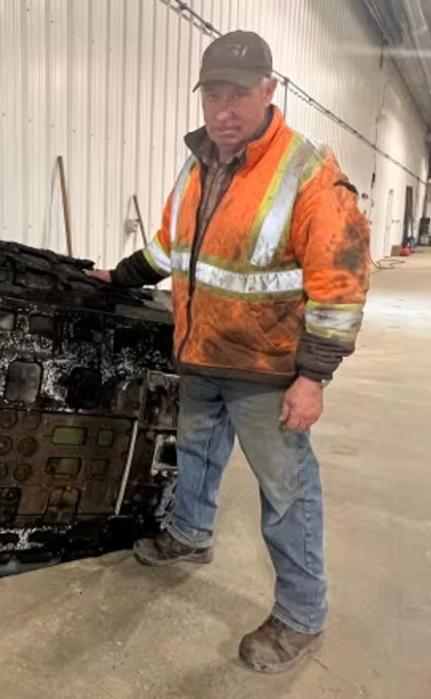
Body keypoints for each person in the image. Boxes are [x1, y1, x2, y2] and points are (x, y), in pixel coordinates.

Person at [88, 30, 370, 674]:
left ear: (270, 91)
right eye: (213, 94)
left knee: (286, 492)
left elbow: (342, 285)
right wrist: (120, 276)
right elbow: (171, 246)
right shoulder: (201, 162)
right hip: (203, 354)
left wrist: (313, 378)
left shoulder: (310, 175)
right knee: (196, 455)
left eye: (238, 94)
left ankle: (302, 615)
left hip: (268, 371)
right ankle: (189, 536)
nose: (223, 109)